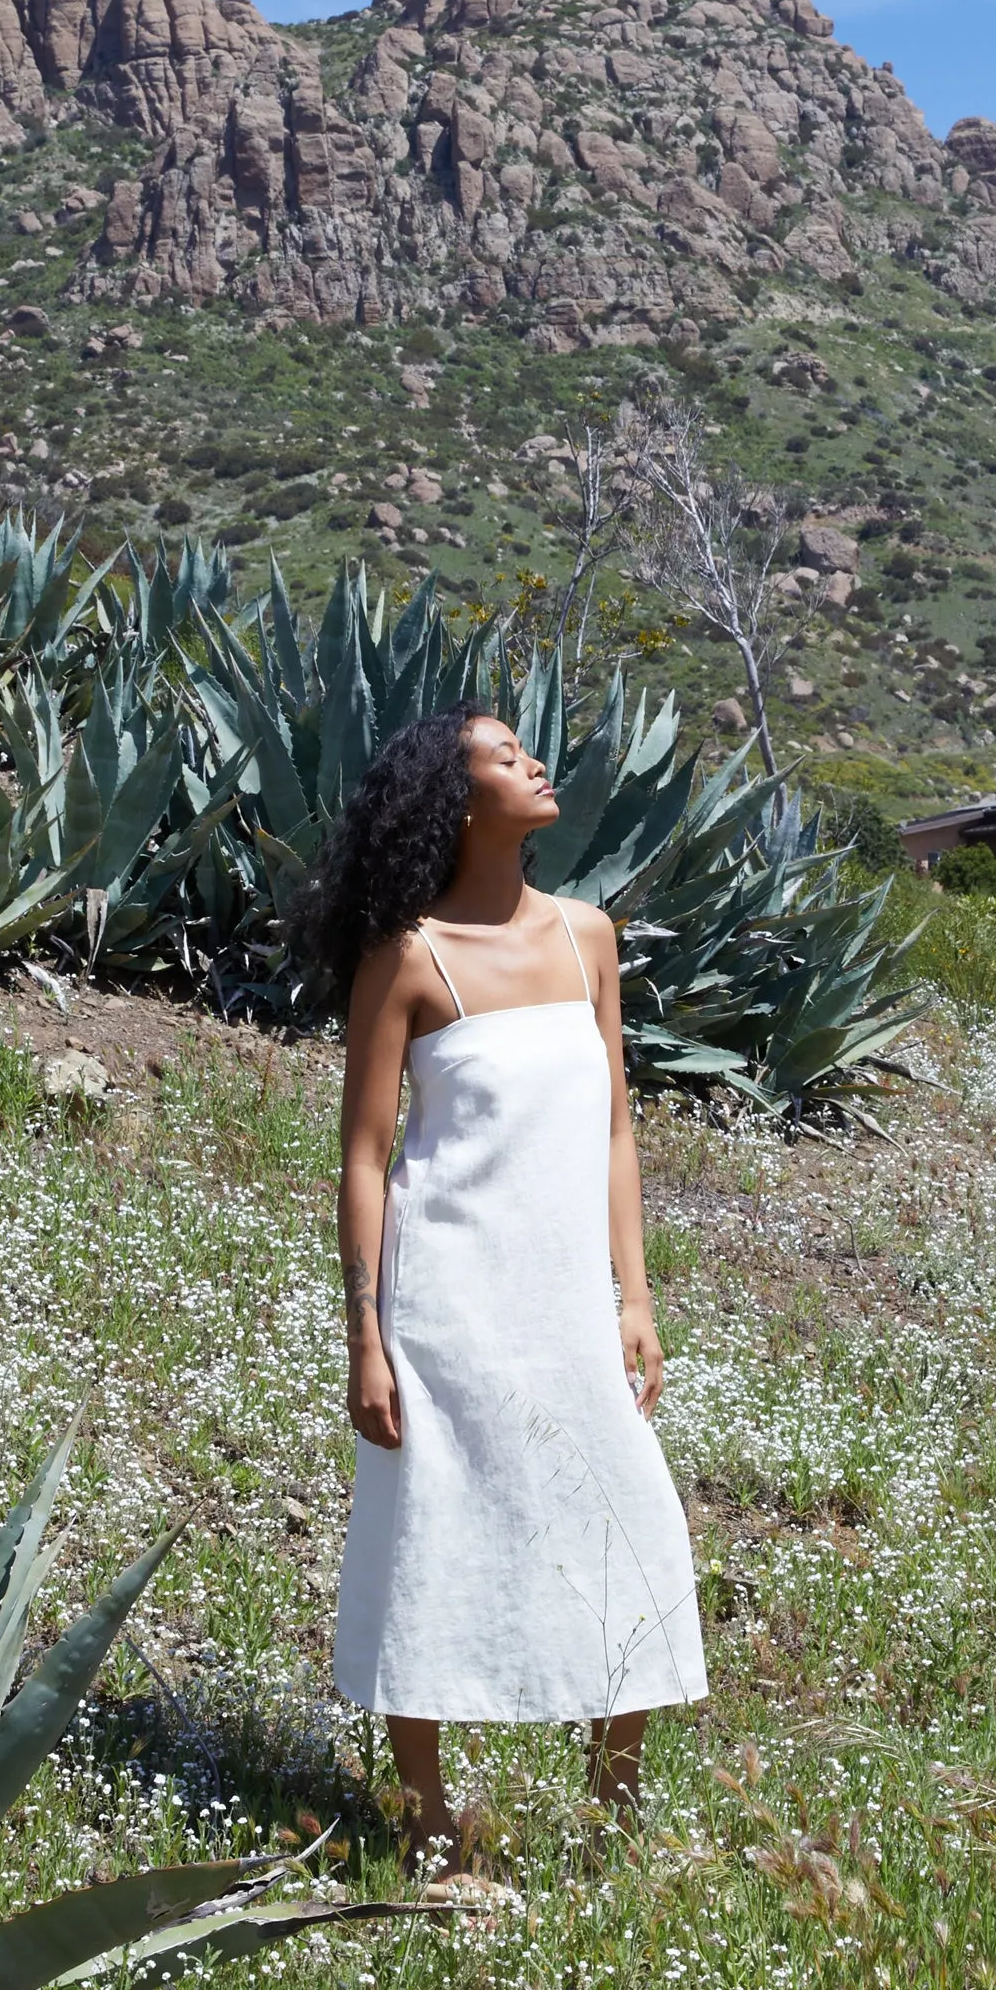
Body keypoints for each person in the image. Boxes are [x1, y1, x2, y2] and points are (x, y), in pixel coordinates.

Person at [291, 707, 707, 1869]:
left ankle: (609, 1793)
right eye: (501, 752)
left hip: (567, 1296)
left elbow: (616, 1128)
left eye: (527, 746)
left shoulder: (589, 937)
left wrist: (634, 1296)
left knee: (629, 1523)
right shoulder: (409, 954)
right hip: (447, 1300)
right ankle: (425, 1817)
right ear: (454, 799)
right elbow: (365, 1156)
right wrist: (365, 1339)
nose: (531, 761)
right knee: (431, 1534)